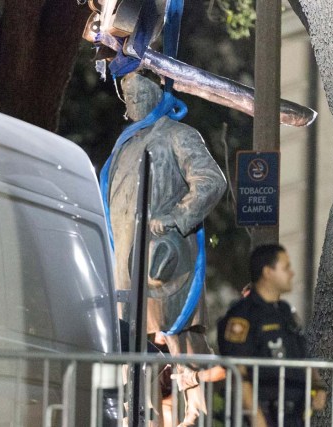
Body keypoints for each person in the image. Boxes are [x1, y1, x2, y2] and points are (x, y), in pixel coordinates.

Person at [106, 72, 226, 426]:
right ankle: (144, 416)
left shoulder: (178, 135)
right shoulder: (124, 146)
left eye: (141, 93)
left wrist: (177, 216)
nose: (135, 101)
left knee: (179, 337)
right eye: (129, 97)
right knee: (135, 349)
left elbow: (211, 180)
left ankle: (195, 412)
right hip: (125, 262)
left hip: (164, 257)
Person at [217, 244, 327, 427]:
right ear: (268, 272)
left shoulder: (285, 311)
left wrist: (318, 385)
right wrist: (257, 419)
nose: (291, 273)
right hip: (262, 415)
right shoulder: (243, 315)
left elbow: (303, 354)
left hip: (293, 416)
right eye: (286, 268)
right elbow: (238, 372)